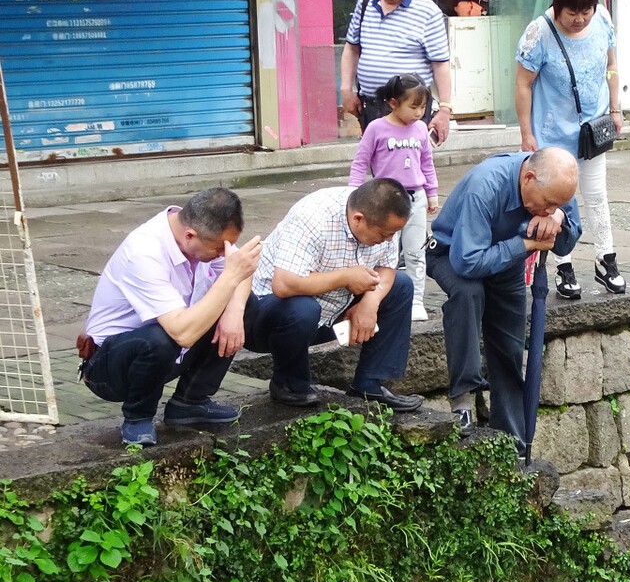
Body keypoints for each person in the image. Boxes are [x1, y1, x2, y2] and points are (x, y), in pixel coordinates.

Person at [78, 188, 262, 447]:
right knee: (160, 337)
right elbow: (181, 332)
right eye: (221, 249)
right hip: (110, 368)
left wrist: (234, 311)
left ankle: (190, 402)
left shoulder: (204, 234)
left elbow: (241, 269)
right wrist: (232, 277)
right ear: (190, 236)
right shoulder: (144, 251)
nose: (225, 254)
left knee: (243, 303)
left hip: (168, 354)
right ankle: (137, 417)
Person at [427, 147, 582, 441]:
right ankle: (462, 399)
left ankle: (513, 439)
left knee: (510, 347)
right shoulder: (485, 186)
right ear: (529, 178)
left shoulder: (556, 185)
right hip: (452, 255)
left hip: (505, 260)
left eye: (558, 204)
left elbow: (565, 244)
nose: (549, 209)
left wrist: (559, 218)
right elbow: (468, 261)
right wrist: (525, 246)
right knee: (468, 293)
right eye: (548, 203)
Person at [243, 178, 422, 413]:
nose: (389, 240)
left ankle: (369, 384)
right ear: (359, 219)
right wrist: (346, 277)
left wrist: (371, 302)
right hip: (270, 320)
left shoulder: (384, 217)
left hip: (333, 313)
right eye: (384, 234)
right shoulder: (313, 217)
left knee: (401, 285)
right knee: (303, 308)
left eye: (393, 234)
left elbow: (387, 269)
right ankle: (288, 383)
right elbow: (284, 284)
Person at [515, 0, 624, 300]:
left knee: (597, 195)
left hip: (592, 130)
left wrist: (616, 108)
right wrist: (526, 133)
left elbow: (611, 65)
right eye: (571, 12)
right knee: (558, 202)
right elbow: (523, 84)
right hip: (552, 135)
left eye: (585, 11)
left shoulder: (602, 19)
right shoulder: (539, 33)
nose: (579, 19)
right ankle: (563, 265)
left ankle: (606, 259)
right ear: (557, 6)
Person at [340, 0, 454, 145]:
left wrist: (445, 109)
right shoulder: (365, 3)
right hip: (371, 106)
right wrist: (346, 90)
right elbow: (351, 48)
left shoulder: (428, 12)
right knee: (379, 168)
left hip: (410, 107)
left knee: (408, 166)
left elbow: (440, 64)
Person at [349, 74, 439, 322]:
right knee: (384, 252)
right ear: (392, 103)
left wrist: (432, 193)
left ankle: (416, 300)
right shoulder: (376, 128)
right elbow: (360, 163)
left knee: (415, 251)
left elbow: (427, 163)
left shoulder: (421, 129)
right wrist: (351, 194)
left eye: (423, 107)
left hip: (415, 198)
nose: (419, 113)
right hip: (386, 201)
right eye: (413, 107)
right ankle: (378, 297)